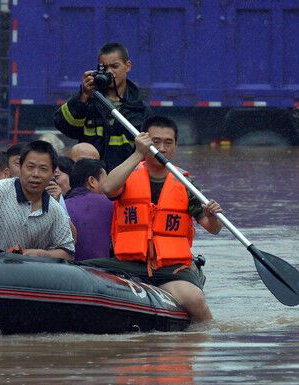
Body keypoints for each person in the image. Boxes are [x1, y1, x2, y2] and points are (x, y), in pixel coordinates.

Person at [84, 116, 223, 322]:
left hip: (170, 269)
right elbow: (107, 188)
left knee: (195, 299)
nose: (162, 148)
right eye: (155, 141)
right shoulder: (128, 174)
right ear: (144, 141)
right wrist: (138, 153)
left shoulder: (185, 183)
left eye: (168, 142)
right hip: (129, 264)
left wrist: (213, 216)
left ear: (175, 146)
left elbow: (213, 228)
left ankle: (198, 345)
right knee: (83, 271)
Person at [54, 42, 151, 172]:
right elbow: (65, 127)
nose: (110, 72)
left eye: (115, 66)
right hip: (90, 179)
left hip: (125, 179)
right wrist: (83, 96)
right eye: (105, 68)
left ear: (128, 66)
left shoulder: (141, 109)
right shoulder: (88, 100)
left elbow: (147, 152)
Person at [65, 158, 113, 260]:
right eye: (107, 179)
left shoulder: (59, 207)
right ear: (92, 181)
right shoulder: (110, 204)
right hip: (101, 273)